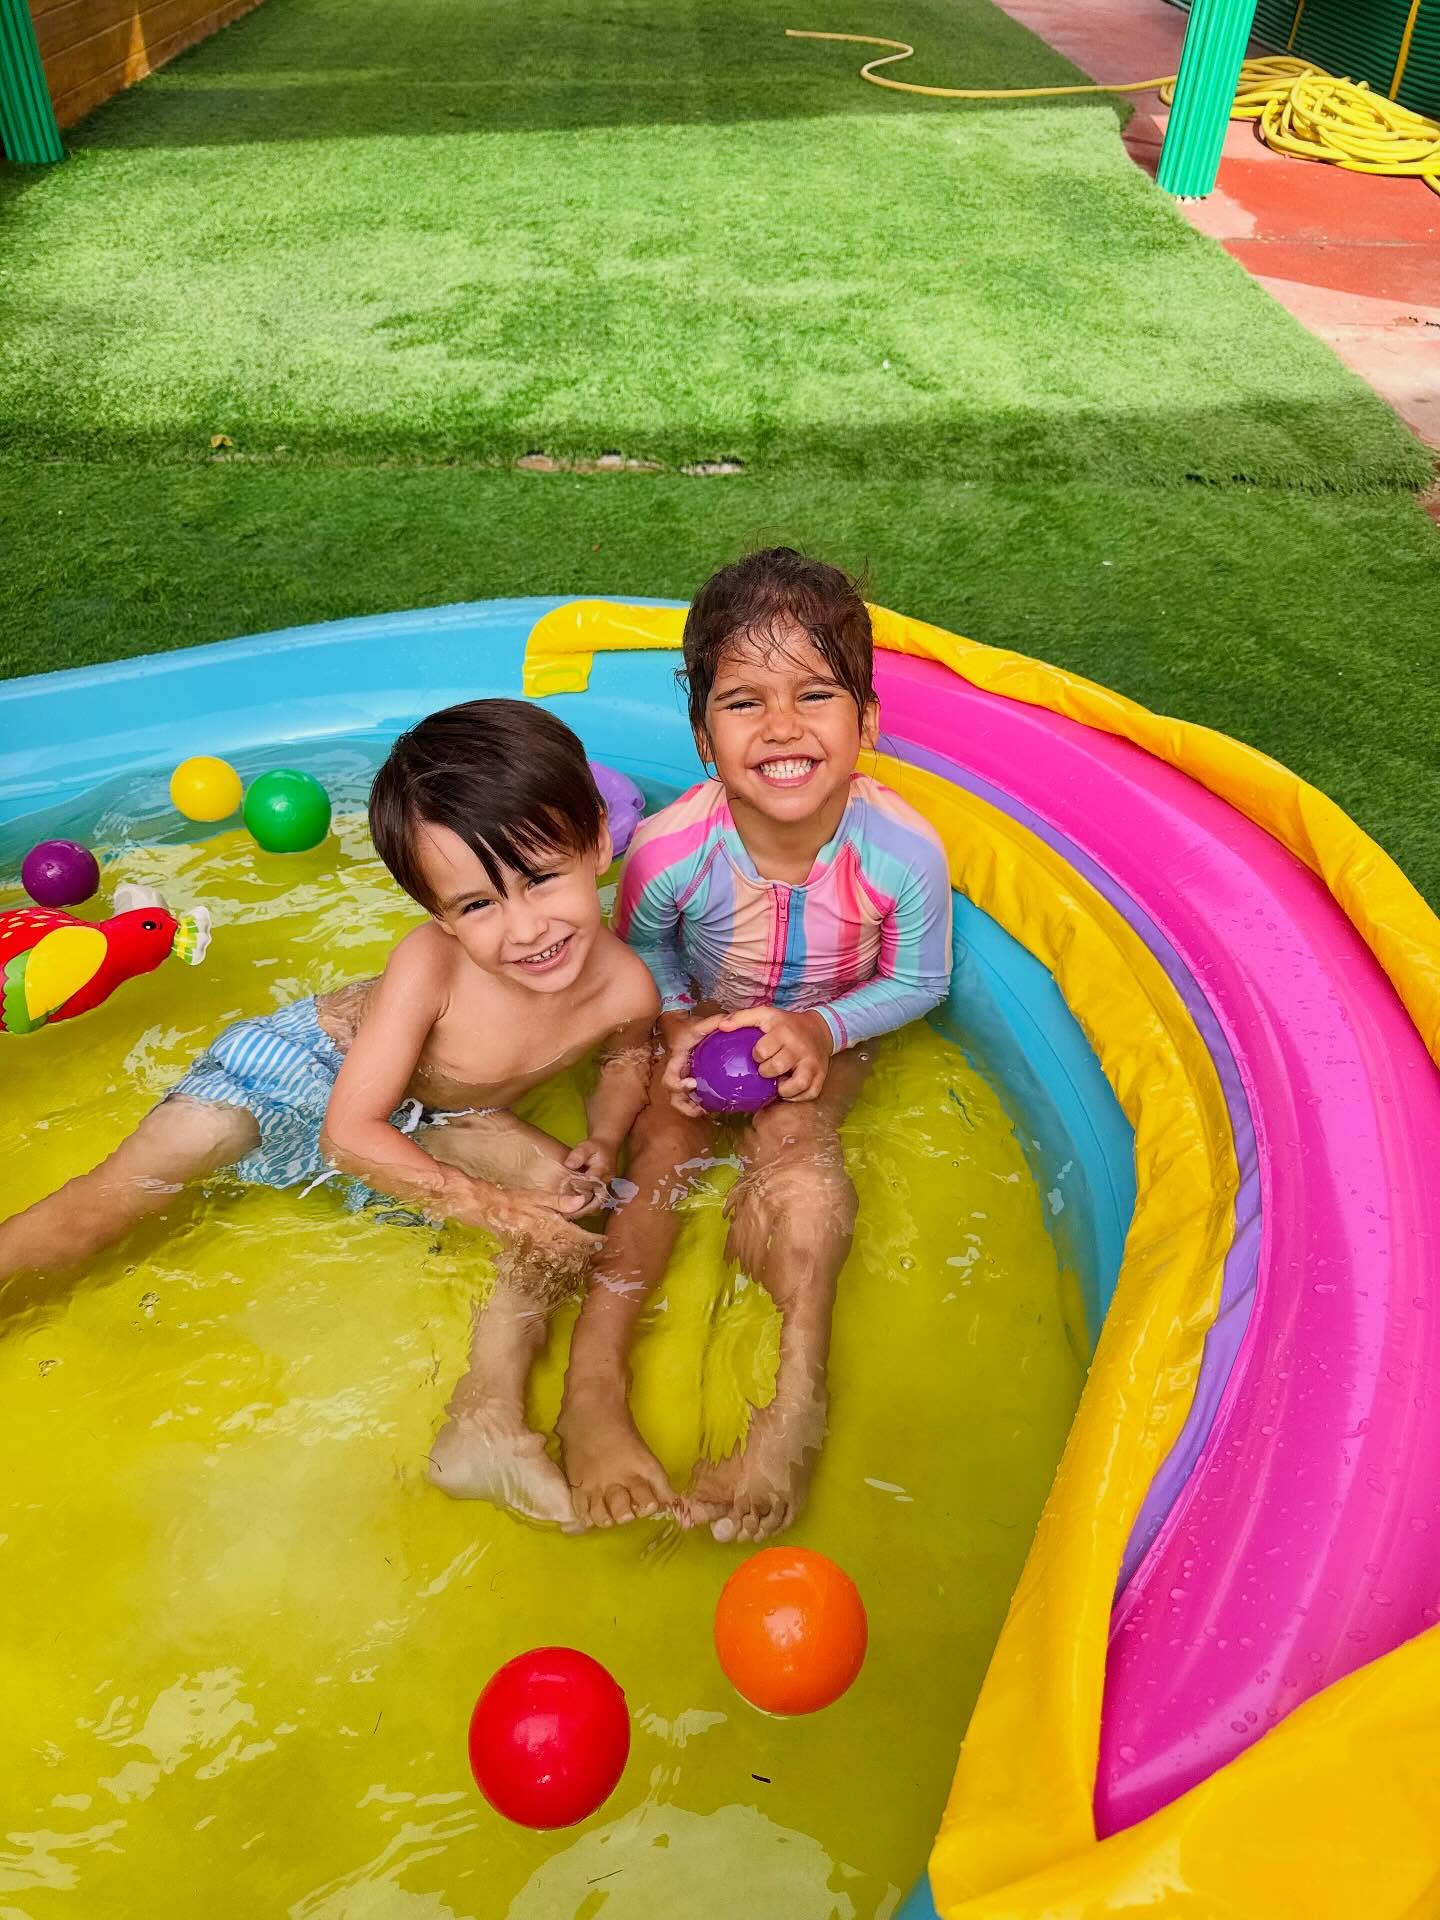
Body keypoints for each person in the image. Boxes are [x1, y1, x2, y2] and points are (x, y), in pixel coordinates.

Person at [0, 700, 659, 1526]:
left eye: (541, 879)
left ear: (599, 840)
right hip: (293, 1074)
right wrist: (494, 1210)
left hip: (433, 1116)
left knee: (569, 1203)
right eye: (477, 907)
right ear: (435, 912)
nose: (526, 929)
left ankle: (484, 1422)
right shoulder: (431, 968)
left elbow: (628, 1058)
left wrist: (602, 1134)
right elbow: (350, 1132)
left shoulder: (628, 987)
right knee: (106, 1207)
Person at [558, 550, 952, 1541]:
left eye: (814, 694)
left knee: (801, 1163)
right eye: (744, 703)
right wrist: (685, 1026)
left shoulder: (902, 854)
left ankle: (796, 1391)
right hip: (697, 1033)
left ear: (866, 723)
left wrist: (820, 1030)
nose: (782, 726)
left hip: (830, 1032)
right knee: (656, 1158)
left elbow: (920, 981)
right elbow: (642, 959)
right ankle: (592, 1383)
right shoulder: (672, 853)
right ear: (702, 737)